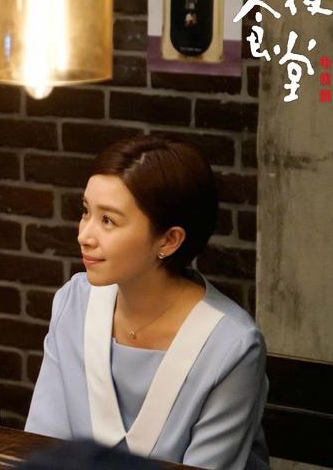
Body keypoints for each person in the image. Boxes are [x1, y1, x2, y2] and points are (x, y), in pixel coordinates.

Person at [24, 135, 269, 470]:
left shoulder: (231, 346)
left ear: (169, 240)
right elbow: (43, 446)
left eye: (108, 220)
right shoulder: (74, 303)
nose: (84, 235)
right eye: (86, 212)